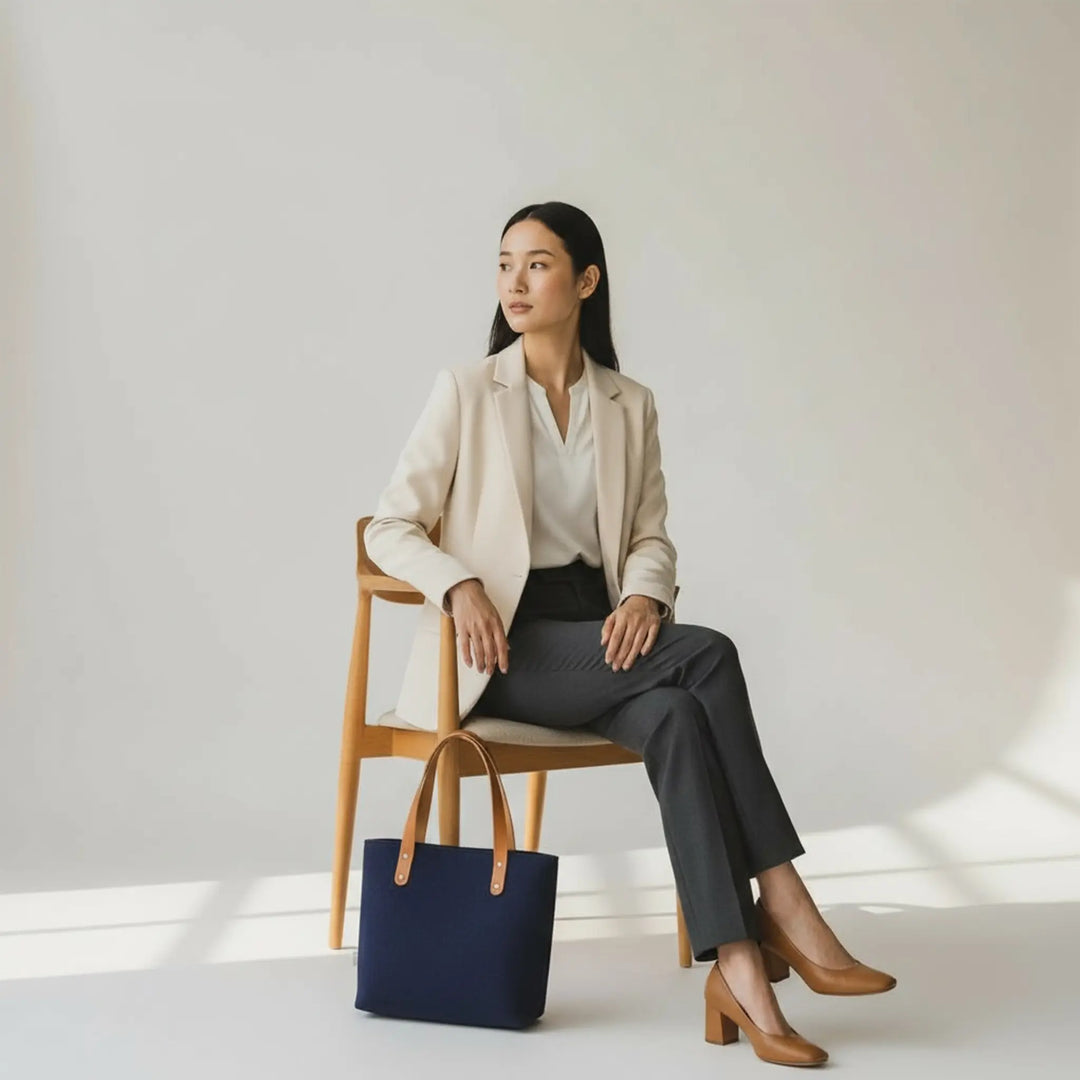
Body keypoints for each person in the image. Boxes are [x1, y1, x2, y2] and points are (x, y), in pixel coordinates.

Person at [364, 201, 895, 1066]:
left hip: (601, 633)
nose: (515, 282)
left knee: (680, 720)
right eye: (505, 264)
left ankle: (738, 971)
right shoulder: (467, 390)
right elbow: (392, 526)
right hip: (504, 643)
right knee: (710, 655)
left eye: (537, 264)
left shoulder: (628, 403)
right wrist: (458, 583)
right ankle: (787, 903)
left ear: (585, 281)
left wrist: (645, 595)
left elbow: (649, 534)